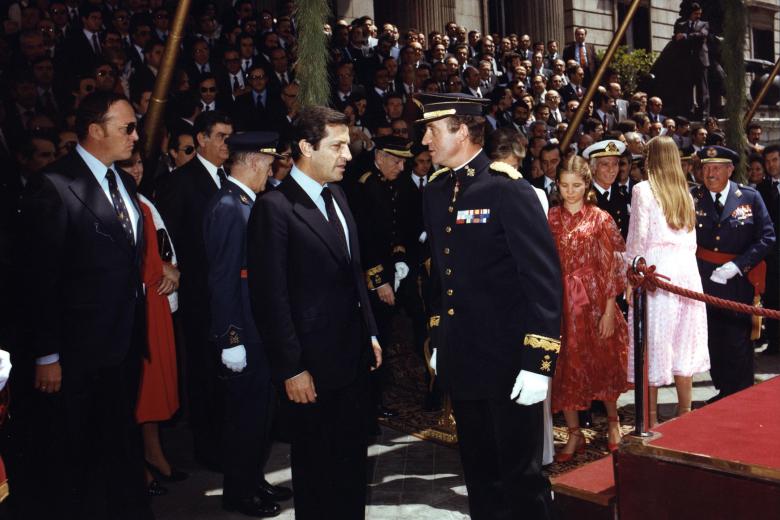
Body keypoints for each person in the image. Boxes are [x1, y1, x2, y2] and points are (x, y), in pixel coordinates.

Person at [420, 93, 561, 519]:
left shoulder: (506, 189)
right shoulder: (436, 190)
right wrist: (439, 338)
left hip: (509, 361)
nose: (425, 139)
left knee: (521, 477)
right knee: (479, 473)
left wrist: (539, 363)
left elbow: (542, 280)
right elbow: (439, 274)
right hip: (463, 356)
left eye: (433, 130)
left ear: (462, 132)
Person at [13, 91, 152, 518]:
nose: (135, 135)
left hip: (123, 346)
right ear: (95, 130)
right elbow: (40, 279)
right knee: (78, 457)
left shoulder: (124, 182)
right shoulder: (53, 185)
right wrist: (47, 353)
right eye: (127, 127)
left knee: (119, 447)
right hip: (75, 355)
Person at [246, 106, 382, 520]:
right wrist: (291, 368)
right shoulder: (275, 208)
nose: (347, 154)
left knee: (350, 465)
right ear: (306, 147)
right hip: (310, 367)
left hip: (352, 358)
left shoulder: (337, 194)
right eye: (337, 145)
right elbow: (270, 297)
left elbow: (354, 272)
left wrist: (371, 332)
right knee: (317, 472)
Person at [203, 132, 291, 517]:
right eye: (269, 166)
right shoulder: (227, 205)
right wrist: (230, 338)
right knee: (245, 418)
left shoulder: (247, 201)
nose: (270, 174)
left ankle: (253, 479)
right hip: (245, 333)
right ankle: (239, 493)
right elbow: (222, 278)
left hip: (260, 328)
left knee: (261, 415)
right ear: (254, 161)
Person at [155, 110, 233, 470]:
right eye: (219, 137)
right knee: (204, 373)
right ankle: (210, 447)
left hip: (229, 293)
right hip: (200, 296)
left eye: (229, 138)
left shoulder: (229, 178)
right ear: (200, 139)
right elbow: (168, 243)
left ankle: (232, 441)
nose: (225, 145)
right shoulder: (181, 182)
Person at [548, 154, 629, 459]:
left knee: (602, 362)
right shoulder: (551, 217)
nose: (570, 191)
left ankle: (613, 422)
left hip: (594, 301)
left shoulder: (600, 218)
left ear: (586, 185)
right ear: (557, 185)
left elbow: (610, 268)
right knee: (565, 366)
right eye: (565, 185)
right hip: (561, 303)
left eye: (576, 185)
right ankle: (574, 434)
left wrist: (609, 311)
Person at [625, 136, 709, 426]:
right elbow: (692, 243)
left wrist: (631, 274)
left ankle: (649, 419)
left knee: (653, 345)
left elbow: (637, 240)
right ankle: (685, 413)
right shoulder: (685, 192)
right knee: (682, 343)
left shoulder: (643, 190)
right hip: (687, 273)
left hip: (657, 273)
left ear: (651, 159)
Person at [117, 148, 186, 496]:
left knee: (155, 387)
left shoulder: (144, 202)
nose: (137, 169)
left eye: (140, 162)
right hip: (137, 306)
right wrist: (163, 269)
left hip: (156, 303)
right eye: (129, 164)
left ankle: (153, 453)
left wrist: (170, 270)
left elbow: (163, 249)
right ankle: (140, 464)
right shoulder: (123, 203)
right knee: (138, 390)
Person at [693, 146, 775, 401]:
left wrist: (738, 265)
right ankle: (723, 391)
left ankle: (739, 395)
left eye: (716, 167)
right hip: (704, 279)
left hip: (738, 280)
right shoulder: (692, 197)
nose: (710, 173)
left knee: (738, 341)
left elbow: (767, 237)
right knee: (713, 339)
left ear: (730, 169)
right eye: (706, 167)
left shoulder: (749, 197)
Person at [757, 145, 780, 355]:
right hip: (772, 257)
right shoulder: (760, 190)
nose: (771, 165)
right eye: (768, 161)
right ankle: (774, 343)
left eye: (775, 160)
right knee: (772, 298)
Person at [585, 139, 631, 239]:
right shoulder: (585, 197)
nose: (611, 169)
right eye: (605, 164)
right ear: (593, 168)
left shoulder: (623, 195)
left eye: (615, 164)